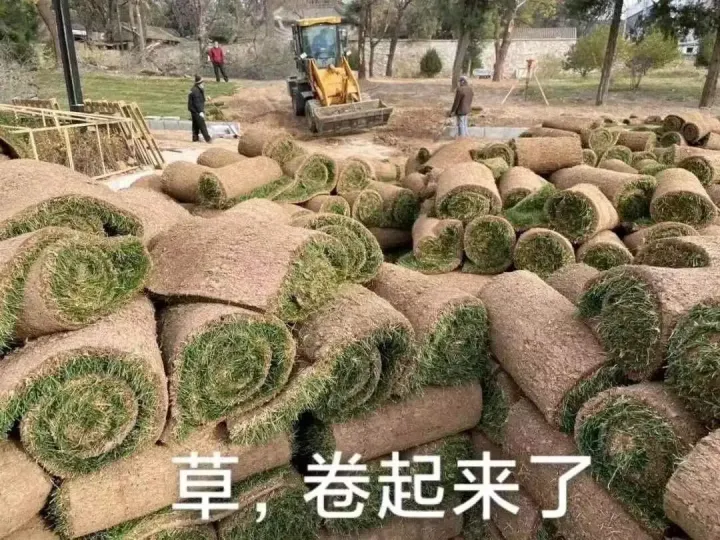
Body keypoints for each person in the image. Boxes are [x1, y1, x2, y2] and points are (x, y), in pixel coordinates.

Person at [188, 75, 212, 143]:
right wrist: (200, 111)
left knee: (195, 124)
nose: (203, 84)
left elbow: (200, 99)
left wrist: (206, 98)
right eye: (202, 82)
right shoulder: (195, 91)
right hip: (196, 110)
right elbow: (197, 102)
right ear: (199, 83)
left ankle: (195, 138)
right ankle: (208, 139)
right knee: (201, 124)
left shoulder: (197, 89)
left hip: (193, 109)